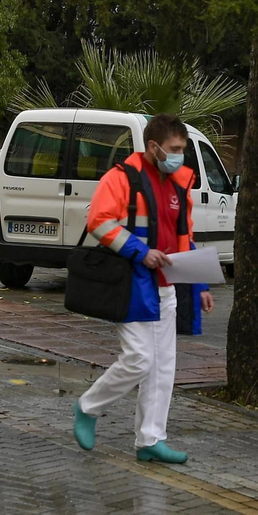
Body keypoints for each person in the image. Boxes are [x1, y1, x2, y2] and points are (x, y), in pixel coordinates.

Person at [71, 113, 213, 463]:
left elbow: (185, 237)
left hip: (167, 287)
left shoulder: (179, 182)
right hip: (132, 285)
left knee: (163, 367)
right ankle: (88, 407)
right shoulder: (121, 179)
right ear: (154, 147)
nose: (181, 155)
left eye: (183, 149)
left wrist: (200, 284)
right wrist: (141, 251)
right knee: (139, 360)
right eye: (175, 149)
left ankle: (150, 440)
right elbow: (99, 222)